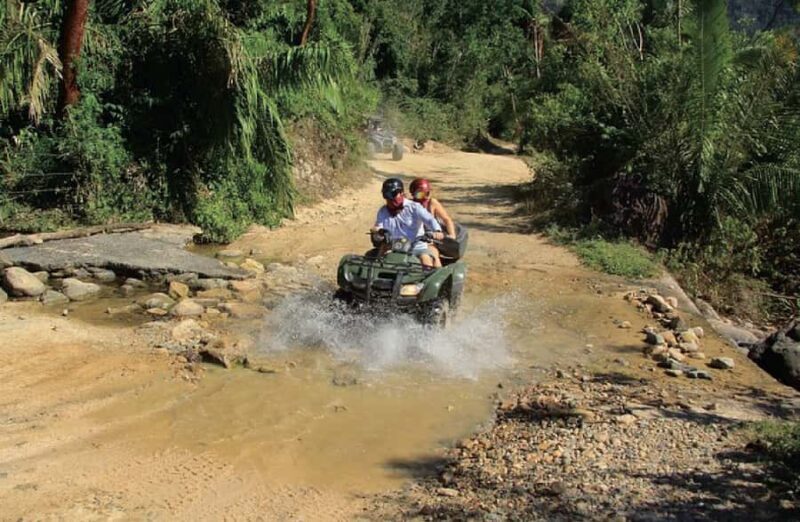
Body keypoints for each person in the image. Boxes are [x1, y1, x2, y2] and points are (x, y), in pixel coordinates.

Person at [373, 178, 443, 268]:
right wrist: (379, 232)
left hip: (417, 247)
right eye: (386, 195)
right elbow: (378, 227)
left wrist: (437, 230)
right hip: (394, 248)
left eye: (393, 194)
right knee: (378, 265)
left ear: (401, 193)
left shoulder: (414, 207)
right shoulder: (383, 212)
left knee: (427, 263)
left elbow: (430, 219)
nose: (390, 198)